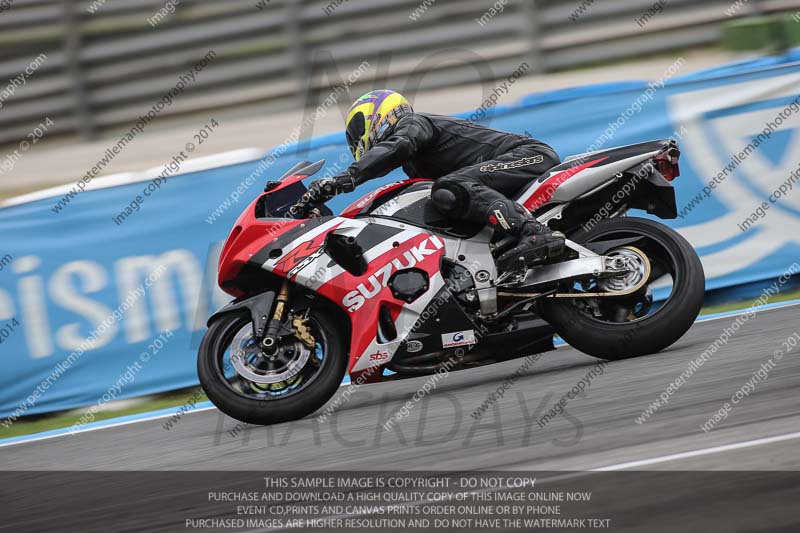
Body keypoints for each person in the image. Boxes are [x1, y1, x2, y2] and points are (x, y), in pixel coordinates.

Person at [309, 89, 565, 270]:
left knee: (450, 187)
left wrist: (343, 179)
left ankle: (534, 233)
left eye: (357, 131)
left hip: (530, 155)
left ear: (377, 116)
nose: (356, 142)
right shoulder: (413, 165)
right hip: (503, 174)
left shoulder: (413, 124)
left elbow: (397, 146)